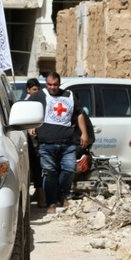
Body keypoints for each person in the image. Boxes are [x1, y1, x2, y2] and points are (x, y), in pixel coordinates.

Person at [29, 72, 89, 213]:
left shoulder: (69, 96)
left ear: (59, 83)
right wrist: (30, 126)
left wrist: (84, 133)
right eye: (49, 84)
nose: (52, 87)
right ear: (46, 83)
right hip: (46, 144)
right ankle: (51, 203)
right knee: (50, 173)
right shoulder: (38, 96)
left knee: (69, 170)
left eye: (55, 84)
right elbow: (28, 112)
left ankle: (61, 194)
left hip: (67, 144)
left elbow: (79, 113)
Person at [24, 78, 45, 207]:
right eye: (34, 90)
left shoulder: (40, 103)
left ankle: (40, 196)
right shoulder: (25, 103)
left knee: (38, 169)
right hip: (27, 142)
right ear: (28, 90)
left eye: (38, 90)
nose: (37, 92)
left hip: (39, 140)